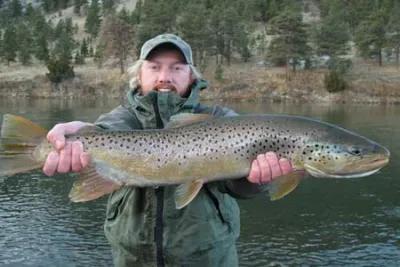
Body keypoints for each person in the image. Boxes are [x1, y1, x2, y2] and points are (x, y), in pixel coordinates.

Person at [43, 34, 293, 267]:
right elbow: (105, 129)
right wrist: (78, 135)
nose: (164, 76)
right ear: (138, 75)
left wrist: (255, 181)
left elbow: (239, 188)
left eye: (176, 68)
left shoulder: (220, 120)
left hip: (208, 257)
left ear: (192, 77)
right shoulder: (123, 119)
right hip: (132, 257)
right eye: (154, 67)